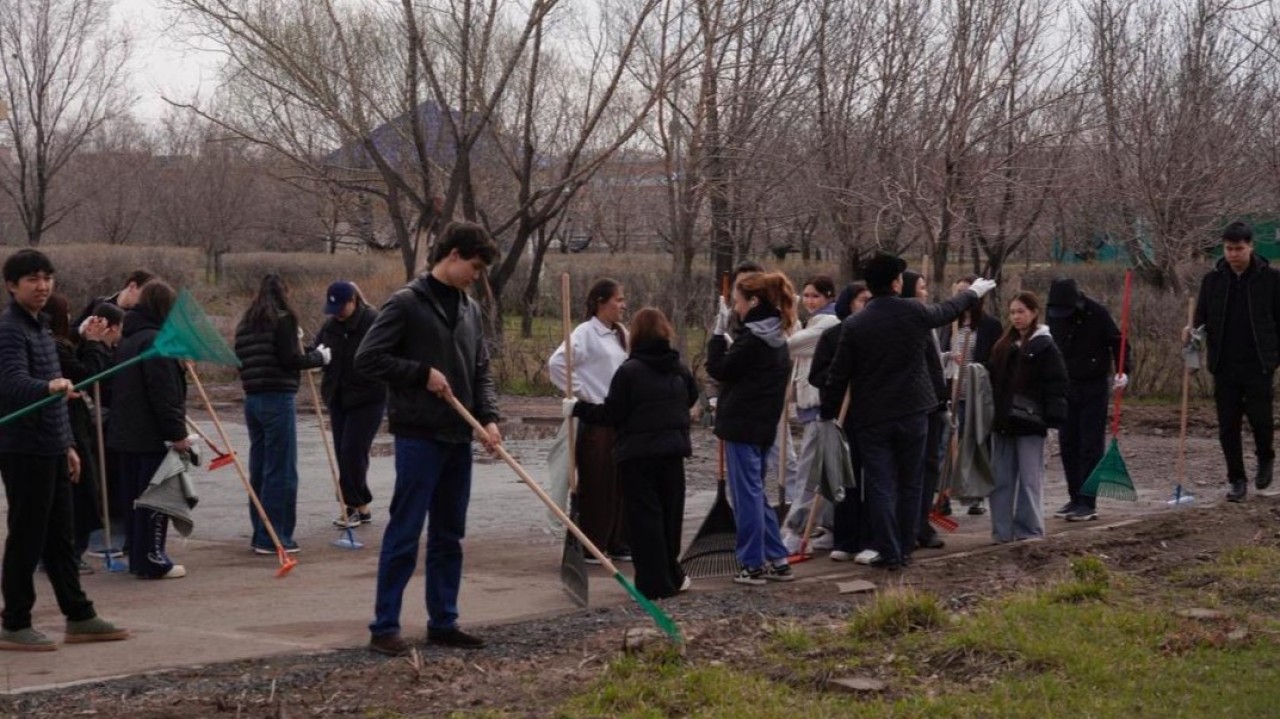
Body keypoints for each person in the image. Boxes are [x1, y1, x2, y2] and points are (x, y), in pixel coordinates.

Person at [356, 221, 502, 658]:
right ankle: (385, 626)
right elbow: (369, 358)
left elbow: (480, 370)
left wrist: (489, 418)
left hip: (459, 435)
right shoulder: (406, 304)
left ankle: (444, 621)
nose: (477, 275)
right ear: (453, 255)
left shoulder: (470, 309)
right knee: (405, 531)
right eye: (474, 266)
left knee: (449, 534)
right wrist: (421, 374)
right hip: (419, 435)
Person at [821, 254, 994, 570]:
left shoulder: (856, 323)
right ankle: (905, 545)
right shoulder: (913, 311)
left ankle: (889, 551)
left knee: (880, 483)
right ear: (896, 283)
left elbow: (838, 374)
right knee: (911, 483)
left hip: (872, 415)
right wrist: (973, 293)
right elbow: (948, 310)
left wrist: (828, 414)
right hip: (914, 410)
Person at [0, 249, 128, 651]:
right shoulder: (8, 329)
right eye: (33, 280)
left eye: (47, 278)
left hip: (51, 446)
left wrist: (67, 444)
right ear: (11, 286)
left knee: (61, 536)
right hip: (23, 449)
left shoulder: (39, 327)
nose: (43, 286)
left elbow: (65, 387)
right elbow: (11, 383)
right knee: (27, 536)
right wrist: (47, 387)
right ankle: (15, 622)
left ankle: (79, 615)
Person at [567, 307, 699, 599]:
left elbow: (613, 413)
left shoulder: (629, 372)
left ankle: (654, 581)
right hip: (673, 452)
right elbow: (692, 397)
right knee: (669, 515)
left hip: (637, 456)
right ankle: (671, 573)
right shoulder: (680, 370)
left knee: (644, 518)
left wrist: (577, 408)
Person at [707, 271, 798, 585]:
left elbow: (718, 369)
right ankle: (778, 558)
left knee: (746, 497)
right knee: (756, 494)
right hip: (763, 425)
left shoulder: (753, 341)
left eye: (738, 302)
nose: (736, 308)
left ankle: (752, 563)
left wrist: (718, 336)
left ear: (754, 301)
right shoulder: (775, 337)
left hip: (741, 426)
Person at [234, 274, 330, 555]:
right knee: (282, 470)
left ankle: (260, 531)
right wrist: (319, 359)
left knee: (261, 468)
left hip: (252, 399)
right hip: (278, 398)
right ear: (284, 293)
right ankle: (277, 536)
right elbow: (290, 360)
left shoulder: (245, 324)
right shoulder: (285, 319)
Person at [1188, 221, 1280, 502]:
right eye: (1228, 249)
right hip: (1224, 363)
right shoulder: (1213, 281)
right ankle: (1236, 480)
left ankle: (1265, 457)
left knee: (1260, 419)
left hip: (1258, 363)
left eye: (1238, 249)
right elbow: (1201, 319)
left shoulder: (1272, 280)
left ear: (1250, 246)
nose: (1233, 255)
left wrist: (1275, 356)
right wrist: (1191, 333)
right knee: (1228, 425)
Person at [107, 281, 191, 579]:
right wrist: (177, 433)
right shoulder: (157, 342)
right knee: (155, 499)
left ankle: (137, 553)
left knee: (134, 499)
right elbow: (164, 394)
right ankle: (151, 559)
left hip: (126, 434)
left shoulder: (129, 338)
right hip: (150, 435)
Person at [548, 278, 631, 562]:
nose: (623, 305)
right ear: (601, 302)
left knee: (621, 481)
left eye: (623, 300)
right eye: (618, 300)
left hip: (620, 416)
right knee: (597, 481)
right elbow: (557, 363)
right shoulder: (585, 333)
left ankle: (617, 540)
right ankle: (590, 543)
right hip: (596, 417)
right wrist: (583, 392)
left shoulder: (620, 333)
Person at [45, 294, 119, 574]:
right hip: (69, 426)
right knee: (80, 493)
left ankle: (66, 552)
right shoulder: (57, 348)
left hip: (75, 425)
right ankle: (69, 554)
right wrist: (94, 344)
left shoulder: (61, 344)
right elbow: (89, 375)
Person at [986, 291, 1068, 543]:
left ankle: (1030, 529)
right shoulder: (1004, 346)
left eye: (1021, 312)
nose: (1016, 317)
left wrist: (1052, 419)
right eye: (1012, 312)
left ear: (1034, 313)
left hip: (1031, 422)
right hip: (1003, 422)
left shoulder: (1044, 346)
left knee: (1030, 479)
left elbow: (1056, 385)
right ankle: (1001, 531)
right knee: (1000, 479)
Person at [1046, 276, 1130, 520]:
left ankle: (1088, 502)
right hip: (1065, 386)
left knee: (1090, 446)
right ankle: (1074, 497)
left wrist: (1123, 370)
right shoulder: (1052, 314)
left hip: (1093, 387)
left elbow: (1119, 342)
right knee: (1068, 444)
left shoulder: (1097, 313)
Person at [314, 281, 386, 528]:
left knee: (352, 451)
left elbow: (387, 353)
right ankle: (361, 506)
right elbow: (318, 350)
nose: (336, 313)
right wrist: (311, 357)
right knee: (343, 452)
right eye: (332, 308)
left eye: (341, 307)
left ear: (353, 301)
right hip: (338, 397)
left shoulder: (373, 321)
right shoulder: (330, 325)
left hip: (368, 397)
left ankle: (352, 506)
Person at [810, 282, 871, 561]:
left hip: (871, 415)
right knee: (844, 478)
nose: (866, 306)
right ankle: (845, 539)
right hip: (840, 416)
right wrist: (839, 378)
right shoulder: (833, 335)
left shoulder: (875, 335)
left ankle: (869, 537)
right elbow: (816, 375)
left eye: (870, 301)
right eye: (861, 301)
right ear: (848, 303)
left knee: (870, 479)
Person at [780, 275, 841, 550]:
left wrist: (788, 319)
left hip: (820, 408)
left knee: (808, 474)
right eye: (805, 296)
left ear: (829, 297)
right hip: (811, 408)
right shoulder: (816, 322)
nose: (809, 301)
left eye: (815, 296)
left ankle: (796, 532)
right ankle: (828, 528)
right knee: (825, 473)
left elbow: (789, 346)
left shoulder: (826, 324)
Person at [938, 275, 1004, 516]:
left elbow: (995, 360)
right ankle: (942, 495)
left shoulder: (990, 325)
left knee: (974, 445)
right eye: (957, 293)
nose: (961, 297)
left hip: (974, 395)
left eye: (966, 292)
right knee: (944, 445)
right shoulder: (949, 324)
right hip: (951, 396)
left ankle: (975, 495)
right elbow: (939, 354)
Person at [899, 270, 950, 552]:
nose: (926, 292)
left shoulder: (925, 320)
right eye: (921, 288)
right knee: (913, 469)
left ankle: (921, 522)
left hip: (934, 404)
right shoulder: (910, 321)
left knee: (930, 465)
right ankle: (912, 525)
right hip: (916, 405)